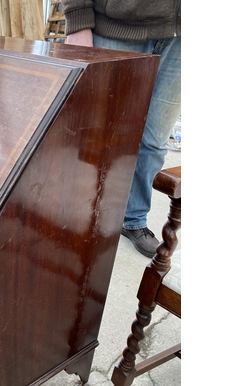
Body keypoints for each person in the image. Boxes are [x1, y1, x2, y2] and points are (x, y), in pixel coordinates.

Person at [62, 0, 181, 258]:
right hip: (116, 24)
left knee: (155, 140)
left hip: (182, 36)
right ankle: (83, 219)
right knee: (99, 132)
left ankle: (133, 219)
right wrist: (78, 20)